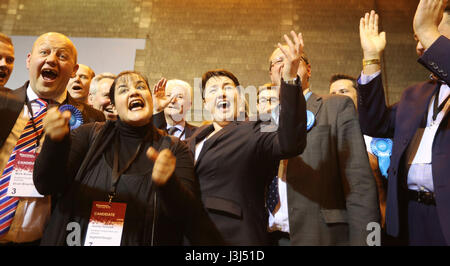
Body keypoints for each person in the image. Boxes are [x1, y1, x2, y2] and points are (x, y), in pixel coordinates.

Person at [33, 70, 223, 246]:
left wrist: (168, 184)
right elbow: (46, 185)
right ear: (113, 106)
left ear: (150, 99)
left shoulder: (174, 149)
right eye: (124, 89)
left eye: (140, 87)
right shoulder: (88, 135)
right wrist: (54, 144)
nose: (134, 92)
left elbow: (189, 216)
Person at [183, 31, 307, 245]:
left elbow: (290, 143)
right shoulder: (192, 140)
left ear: (239, 96)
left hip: (237, 237)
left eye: (227, 88)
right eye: (213, 90)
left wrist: (288, 79)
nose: (221, 94)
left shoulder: (258, 126)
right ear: (205, 103)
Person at [357, 0, 450, 245]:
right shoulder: (415, 94)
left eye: (432, 34)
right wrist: (371, 59)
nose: (420, 45)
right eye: (418, 36)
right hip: (408, 216)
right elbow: (375, 124)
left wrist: (427, 29)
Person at [268, 40, 379, 245]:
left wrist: (370, 242)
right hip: (271, 237)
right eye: (278, 60)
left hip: (321, 235)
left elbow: (360, 185)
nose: (286, 63)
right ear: (271, 74)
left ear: (308, 70)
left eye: (294, 58)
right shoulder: (264, 121)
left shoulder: (336, 107)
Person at [0, 32, 104, 245]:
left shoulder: (92, 120)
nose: (51, 59)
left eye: (62, 56)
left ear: (74, 70)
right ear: (29, 60)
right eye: (44, 52)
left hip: (45, 238)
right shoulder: (3, 103)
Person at [329, 73, 388, 228]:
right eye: (332, 94)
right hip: (340, 225)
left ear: (358, 96)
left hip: (377, 223)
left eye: (343, 92)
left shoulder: (378, 135)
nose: (337, 97)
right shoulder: (326, 138)